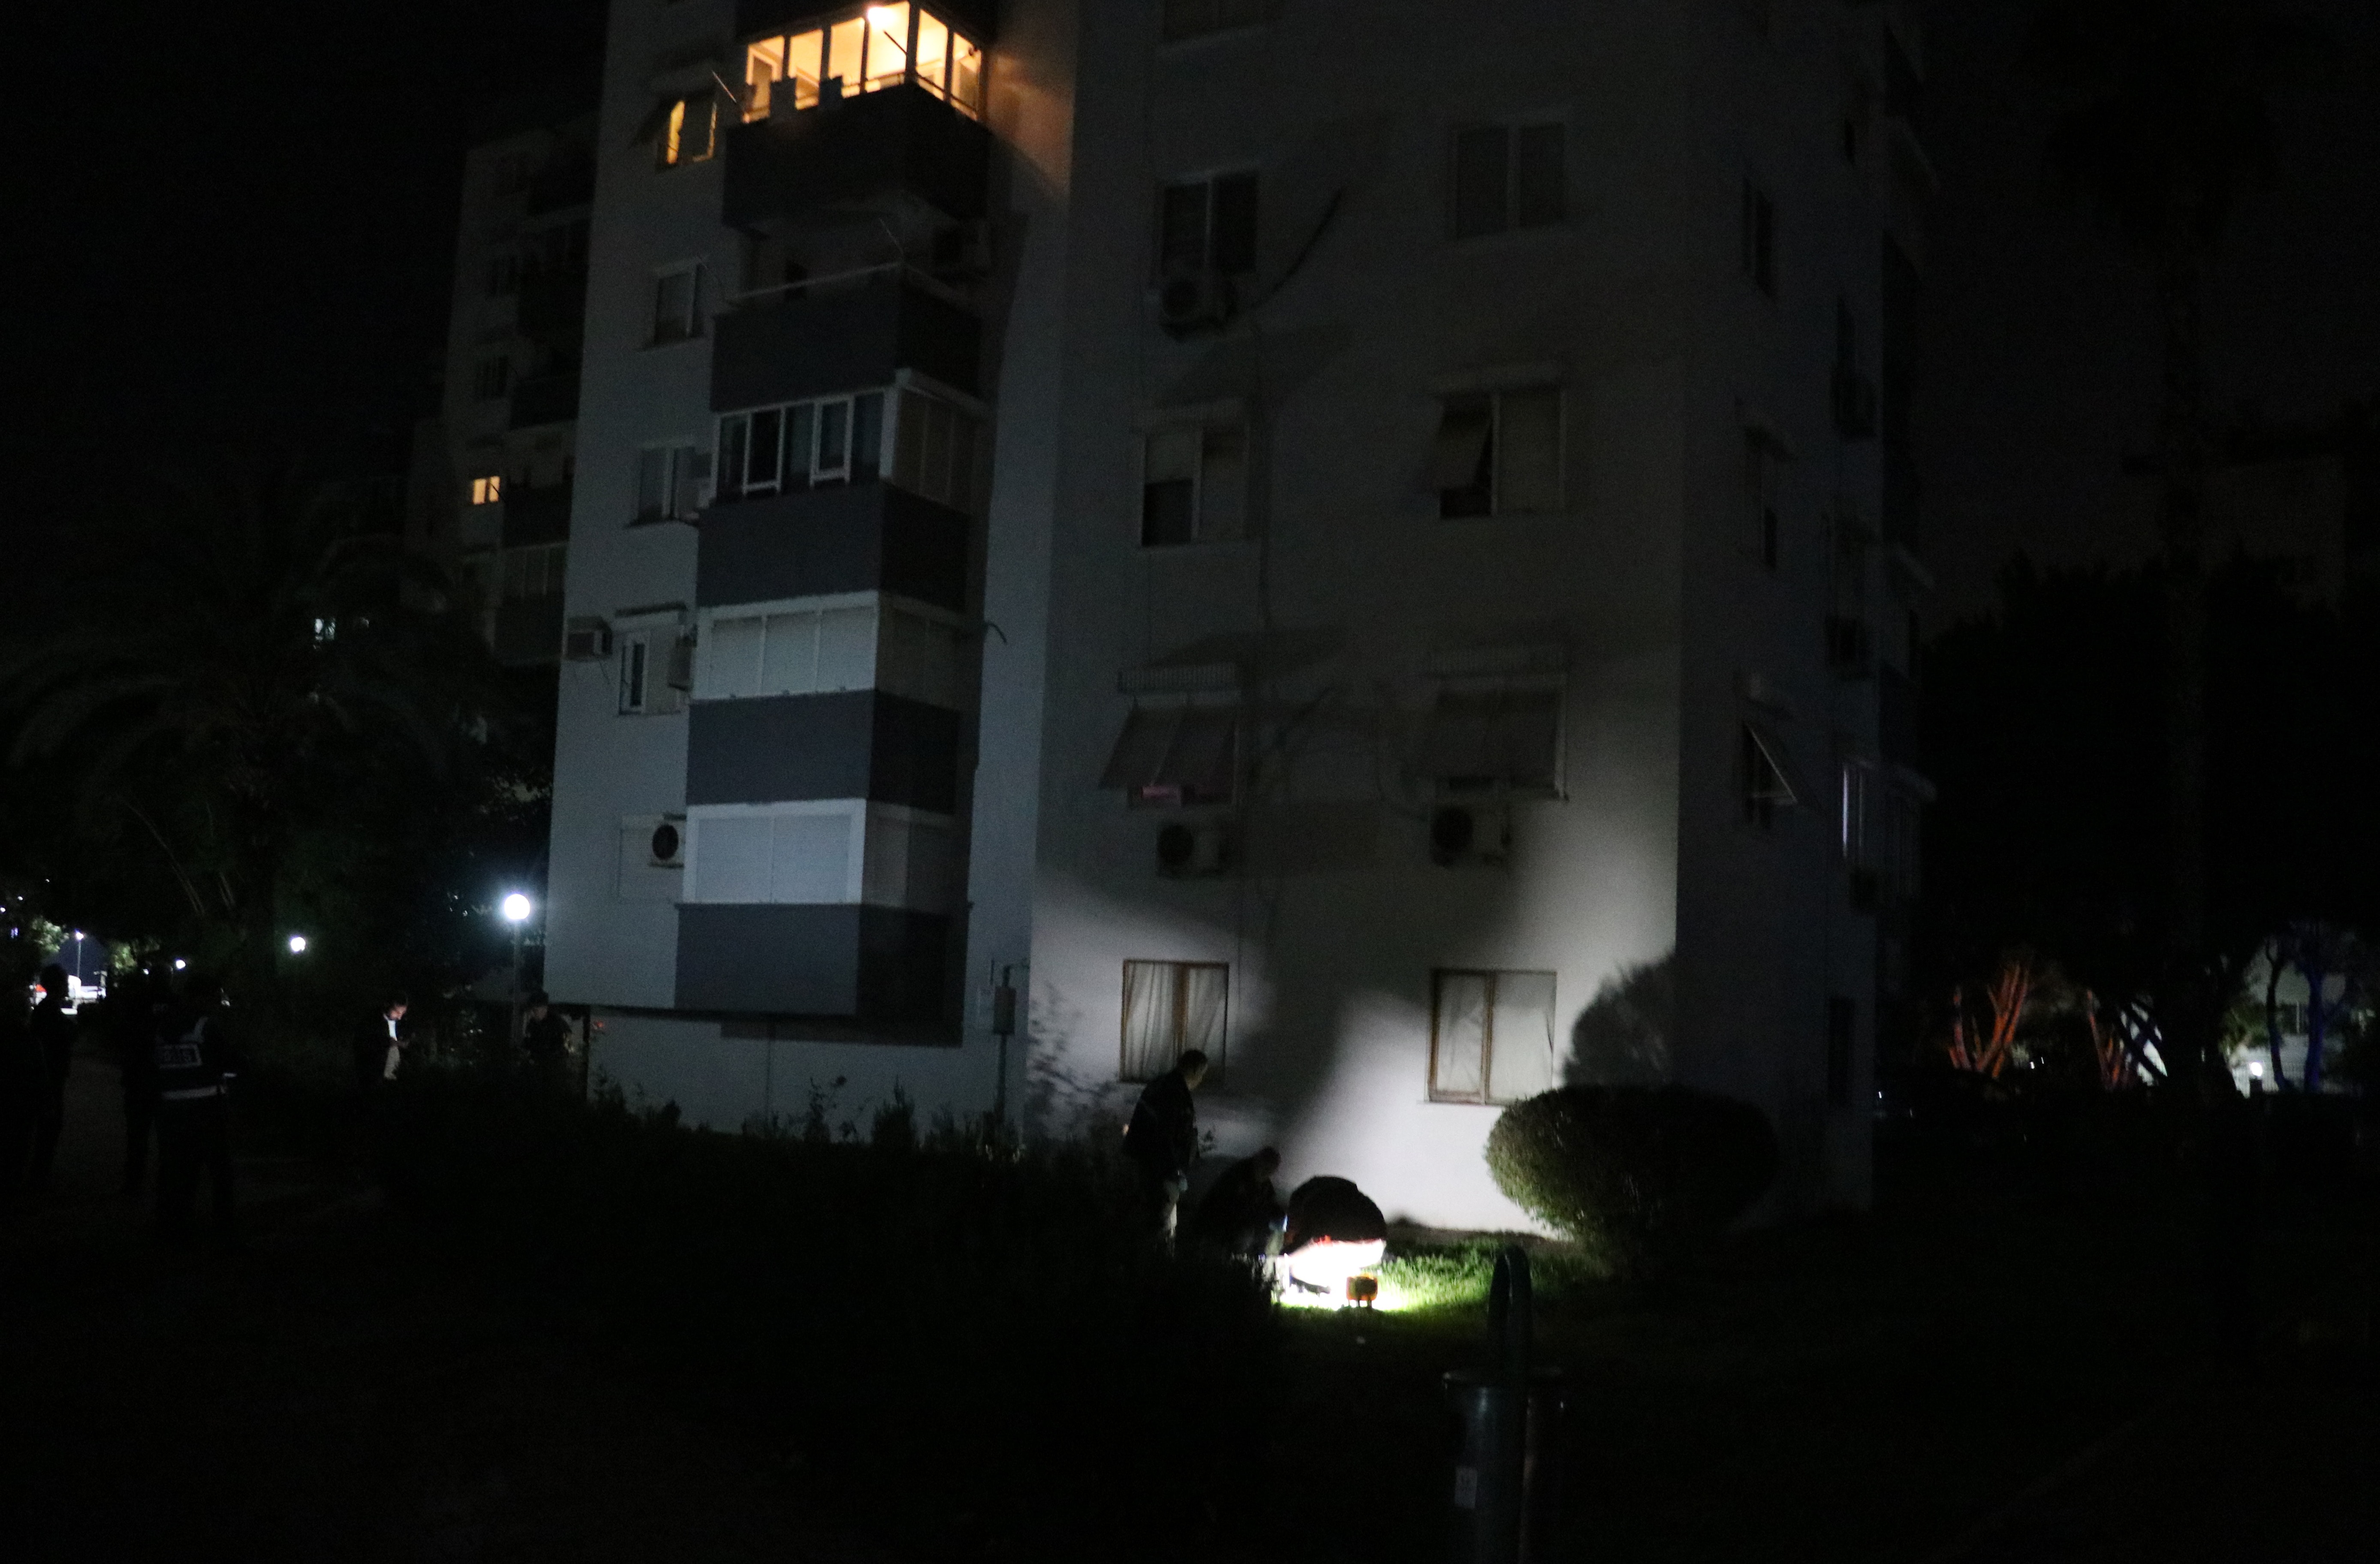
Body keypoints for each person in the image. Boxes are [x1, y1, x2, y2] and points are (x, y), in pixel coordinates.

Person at [154, 973, 241, 1243]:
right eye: (215, 998)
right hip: (208, 1109)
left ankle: (176, 1229)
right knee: (221, 1173)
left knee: (180, 1173)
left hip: (171, 1111)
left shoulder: (162, 1026)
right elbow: (228, 1061)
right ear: (204, 997)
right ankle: (225, 1232)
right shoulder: (206, 1026)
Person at [1121, 1049, 1208, 1242]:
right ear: (1195, 1071)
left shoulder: (1162, 1085)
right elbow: (1167, 1136)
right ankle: (1155, 1257)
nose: (1201, 1080)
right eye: (1202, 1074)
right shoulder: (1175, 1093)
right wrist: (1176, 1171)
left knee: (1159, 1220)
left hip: (1153, 1166)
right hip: (1162, 1171)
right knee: (1158, 1224)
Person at [106, 974, 166, 1193]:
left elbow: (120, 1036)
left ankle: (133, 1181)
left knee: (137, 1135)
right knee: (166, 1136)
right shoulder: (174, 1006)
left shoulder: (135, 1006)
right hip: (162, 1080)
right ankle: (164, 1183)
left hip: (138, 1078)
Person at [26, 964, 76, 1192]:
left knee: (45, 1128)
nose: (67, 987)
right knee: (49, 1128)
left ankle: (37, 1176)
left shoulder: (45, 1010)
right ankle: (38, 1179)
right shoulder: (50, 1012)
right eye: (64, 983)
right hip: (49, 1078)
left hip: (47, 1077)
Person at [1185, 1145, 1283, 1256]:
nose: (1268, 1173)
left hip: (1231, 1225)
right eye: (1267, 1169)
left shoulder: (1264, 1185)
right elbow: (1233, 1207)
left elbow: (1269, 1203)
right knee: (1245, 1235)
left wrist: (1277, 1215)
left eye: (1271, 1171)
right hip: (1217, 1222)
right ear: (1260, 1162)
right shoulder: (1238, 1176)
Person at [355, 993, 408, 1093]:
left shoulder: (403, 1024)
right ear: (387, 1005)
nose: (400, 1017)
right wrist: (388, 1043)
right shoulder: (372, 1022)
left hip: (397, 1076)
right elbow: (364, 1045)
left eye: (403, 1013)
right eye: (397, 1012)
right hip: (375, 1076)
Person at [521, 991, 572, 1076]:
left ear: (544, 1009)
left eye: (535, 1011)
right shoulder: (533, 1024)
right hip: (537, 1066)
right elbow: (529, 1042)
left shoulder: (557, 1023)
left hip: (554, 1067)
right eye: (531, 1011)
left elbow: (566, 1043)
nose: (532, 1014)